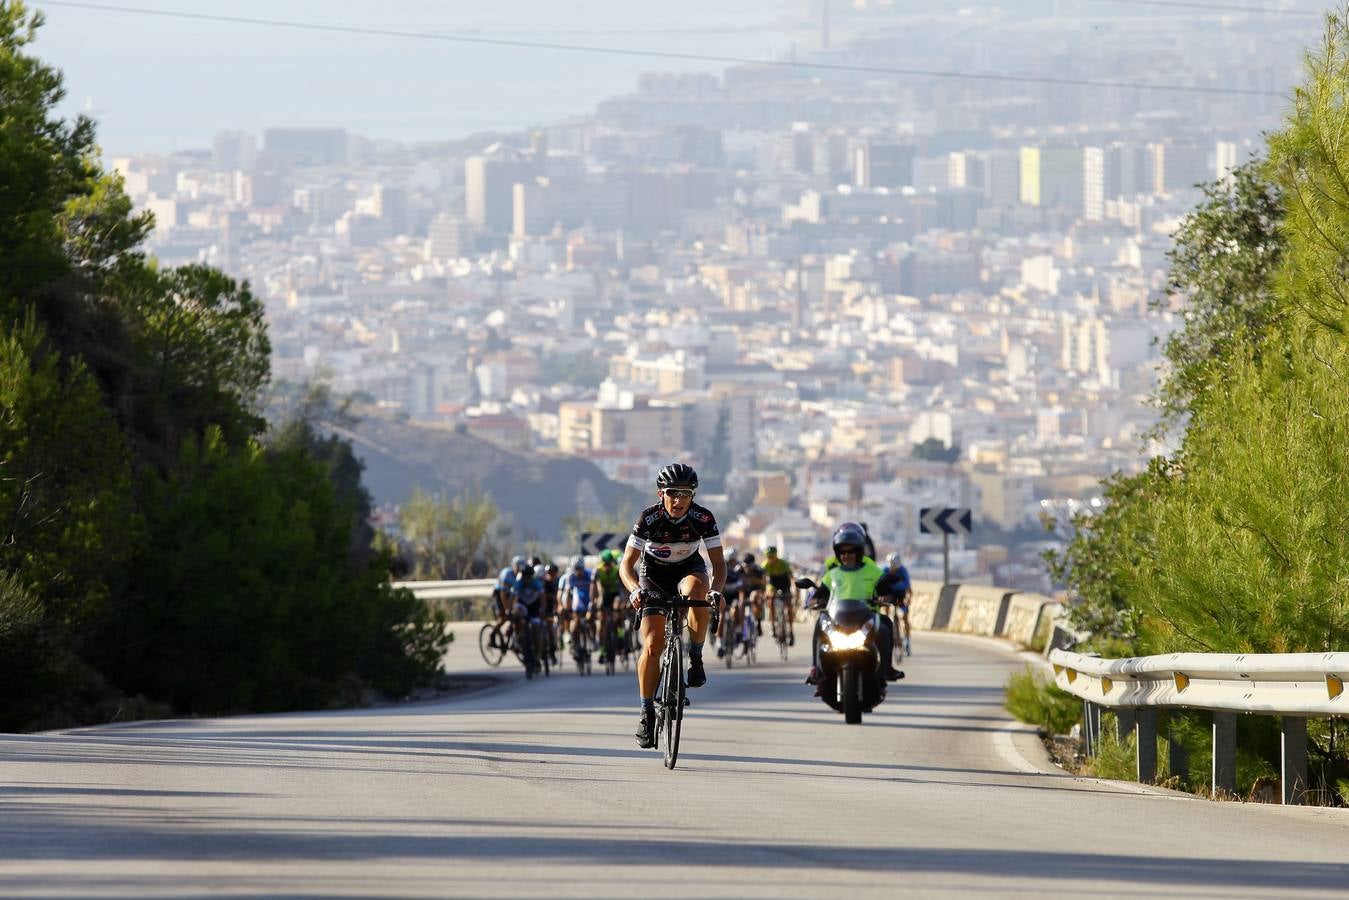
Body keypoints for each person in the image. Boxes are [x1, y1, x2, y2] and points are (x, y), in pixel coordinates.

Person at [622, 462, 725, 749]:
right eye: (672, 493)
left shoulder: (703, 518)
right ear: (661, 494)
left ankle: (696, 656)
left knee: (698, 592)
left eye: (686, 494)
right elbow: (626, 565)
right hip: (653, 575)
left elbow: (718, 564)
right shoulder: (649, 518)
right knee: (652, 644)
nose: (679, 500)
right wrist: (634, 590)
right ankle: (646, 712)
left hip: (689, 568)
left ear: (693, 495)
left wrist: (716, 591)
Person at [804, 522, 902, 690]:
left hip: (866, 616)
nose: (846, 555)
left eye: (851, 552)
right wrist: (813, 600)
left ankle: (885, 668)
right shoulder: (832, 574)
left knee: (885, 627)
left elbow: (887, 590)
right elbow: (820, 593)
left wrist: (888, 597)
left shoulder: (873, 571)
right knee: (820, 623)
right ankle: (817, 669)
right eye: (842, 552)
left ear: (859, 551)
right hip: (838, 618)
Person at [592, 548, 624, 661]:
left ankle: (620, 635)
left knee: (617, 609)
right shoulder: (598, 571)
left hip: (615, 594)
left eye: (609, 564)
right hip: (604, 595)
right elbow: (598, 588)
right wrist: (596, 603)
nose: (607, 567)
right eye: (605, 564)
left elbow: (622, 588)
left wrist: (625, 601)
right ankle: (602, 649)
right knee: (602, 622)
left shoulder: (616, 570)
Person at [559, 557, 593, 661]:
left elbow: (593, 592)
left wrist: (591, 607)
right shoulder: (570, 577)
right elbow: (567, 594)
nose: (578, 571)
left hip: (587, 598)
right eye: (576, 569)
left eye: (580, 569)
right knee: (576, 622)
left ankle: (592, 638)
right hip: (575, 600)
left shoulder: (589, 574)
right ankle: (574, 644)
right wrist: (567, 609)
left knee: (591, 619)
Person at [879, 551, 913, 657]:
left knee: (904, 617)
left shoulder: (903, 571)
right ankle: (888, 632)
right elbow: (879, 587)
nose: (894, 570)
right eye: (892, 568)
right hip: (889, 594)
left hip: (900, 594)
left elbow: (908, 589)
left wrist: (908, 599)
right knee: (885, 613)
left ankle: (907, 641)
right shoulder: (884, 570)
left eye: (896, 568)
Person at [762, 546, 796, 646]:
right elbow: (763, 581)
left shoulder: (784, 564)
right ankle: (773, 625)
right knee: (771, 600)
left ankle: (791, 630)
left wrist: (794, 591)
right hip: (773, 584)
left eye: (771, 557)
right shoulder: (765, 565)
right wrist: (765, 592)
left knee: (789, 606)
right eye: (768, 557)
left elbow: (792, 578)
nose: (770, 559)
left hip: (785, 584)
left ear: (776, 556)